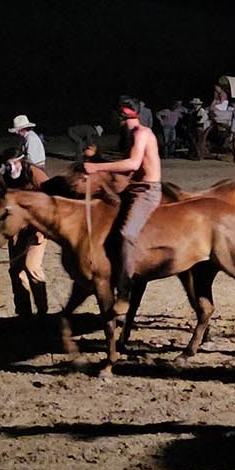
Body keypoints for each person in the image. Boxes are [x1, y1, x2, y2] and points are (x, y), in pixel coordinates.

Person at [82, 99, 162, 312]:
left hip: (147, 191)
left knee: (127, 234)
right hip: (133, 188)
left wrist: (97, 167)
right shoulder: (129, 135)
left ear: (122, 115)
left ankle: (125, 291)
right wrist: (97, 158)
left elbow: (133, 163)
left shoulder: (141, 133)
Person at [0, 147, 50, 316]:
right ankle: (23, 313)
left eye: (13, 163)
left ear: (21, 161)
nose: (10, 167)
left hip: (36, 228)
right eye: (7, 164)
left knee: (32, 267)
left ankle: (42, 312)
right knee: (16, 270)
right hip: (16, 230)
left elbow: (51, 197)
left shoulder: (35, 174)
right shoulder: (5, 178)